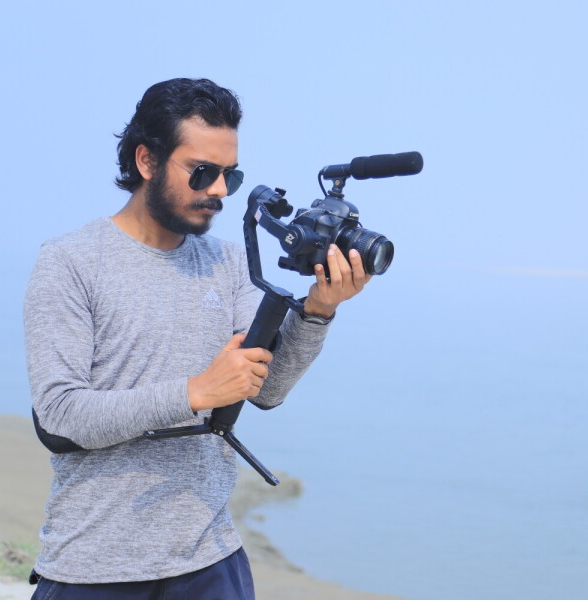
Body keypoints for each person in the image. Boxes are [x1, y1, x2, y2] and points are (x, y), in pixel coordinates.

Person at [24, 78, 371, 600]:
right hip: (94, 565)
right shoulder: (70, 261)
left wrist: (319, 310)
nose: (219, 190)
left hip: (211, 559)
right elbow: (60, 414)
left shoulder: (230, 263)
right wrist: (196, 392)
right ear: (147, 160)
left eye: (231, 175)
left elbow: (267, 389)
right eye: (203, 172)